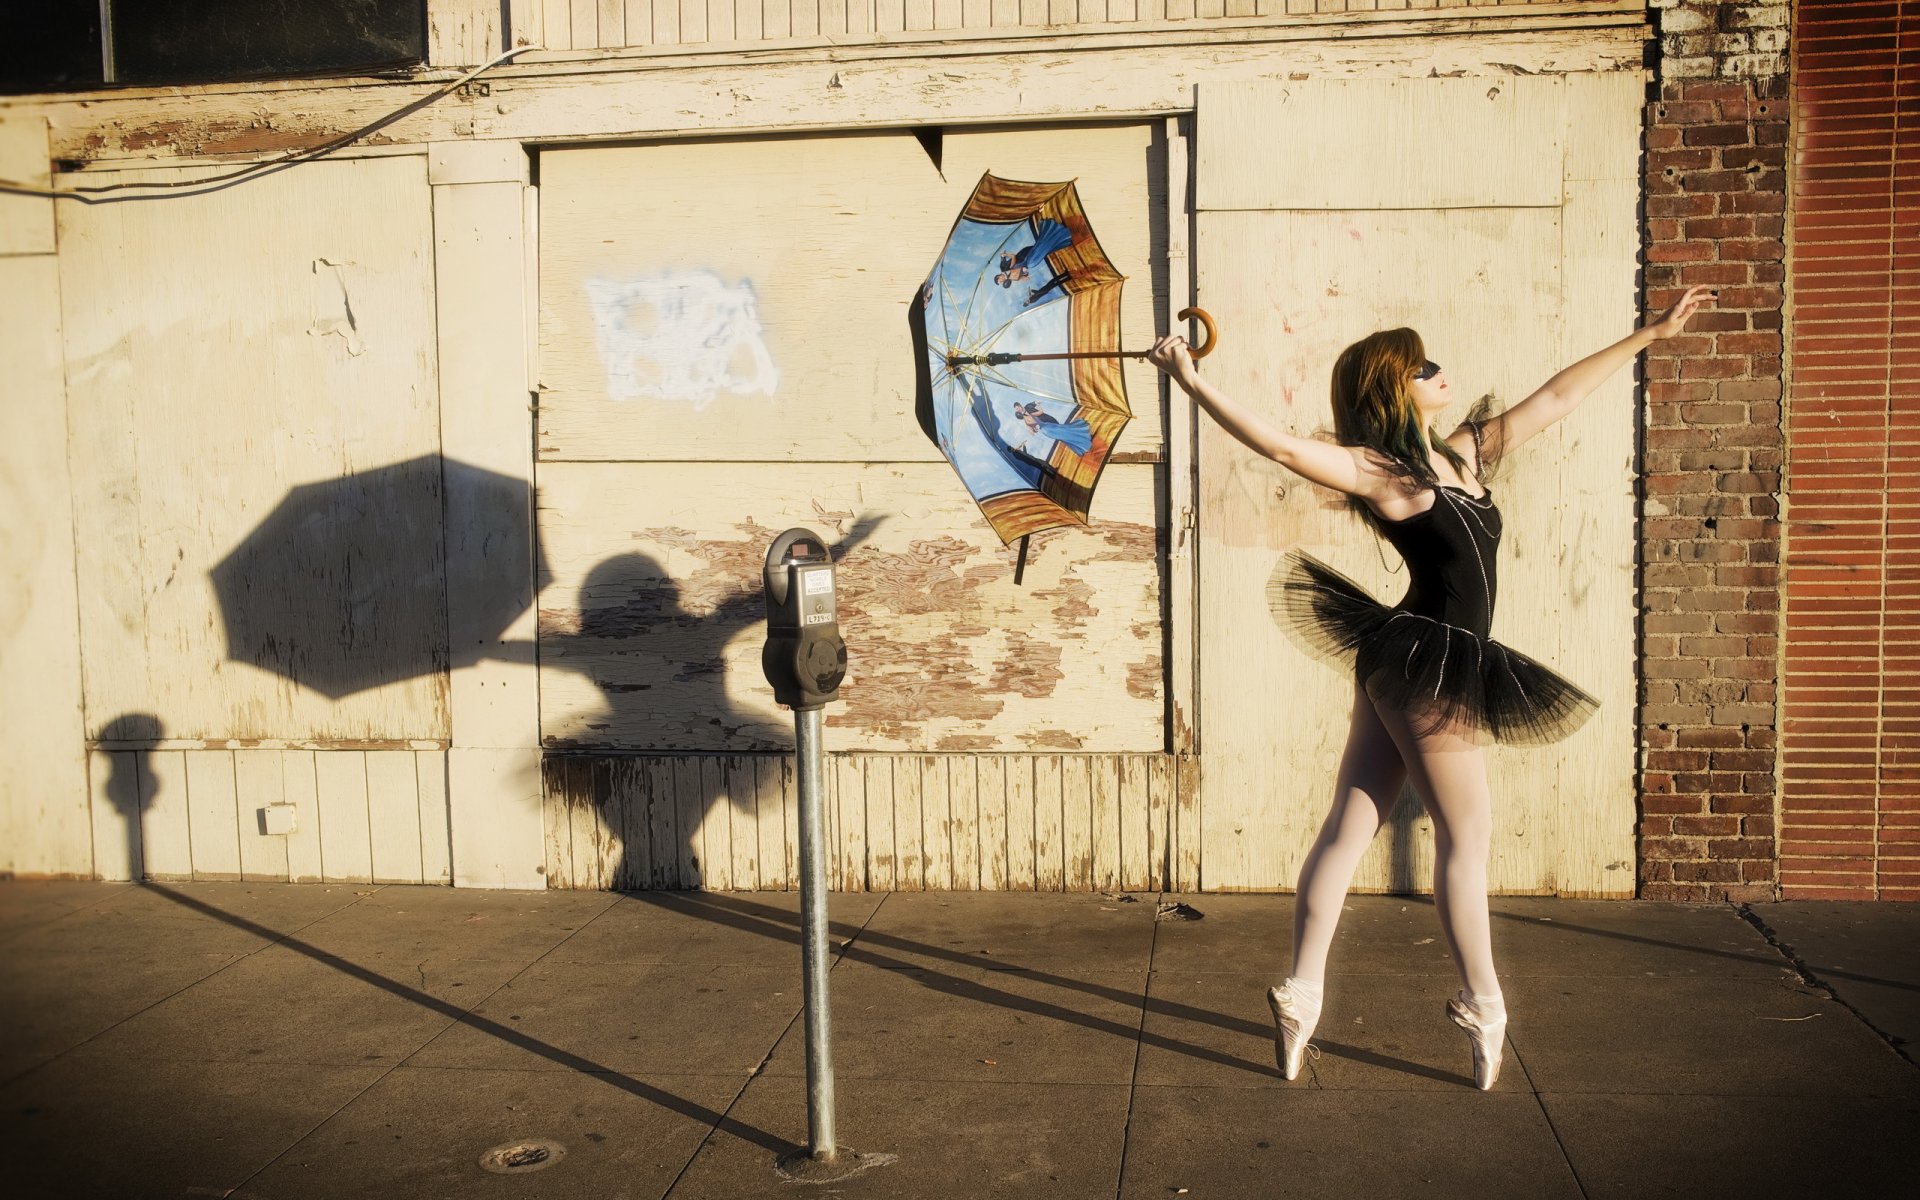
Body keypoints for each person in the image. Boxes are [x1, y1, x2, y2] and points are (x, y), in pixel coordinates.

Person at [1146, 284, 1713, 1090]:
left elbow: (1556, 395)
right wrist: (1192, 382)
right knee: (1467, 833)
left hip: (1405, 655)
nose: (1441, 372)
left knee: (1352, 823)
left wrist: (1648, 336)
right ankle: (1483, 1001)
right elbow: (1278, 448)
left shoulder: (1466, 452)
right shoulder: (1382, 472)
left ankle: (1302, 991)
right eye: (1425, 366)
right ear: (1395, 384)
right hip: (1424, 662)